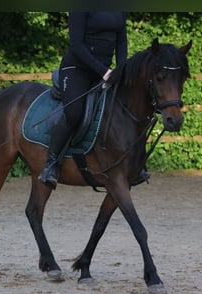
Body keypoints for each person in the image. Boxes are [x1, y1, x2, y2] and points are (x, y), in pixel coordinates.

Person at [38, 12, 150, 189]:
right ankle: (51, 164)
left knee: (125, 107)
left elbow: (121, 41)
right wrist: (103, 71)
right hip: (77, 68)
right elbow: (76, 45)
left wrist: (121, 70)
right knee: (73, 113)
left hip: (105, 69)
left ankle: (134, 165)